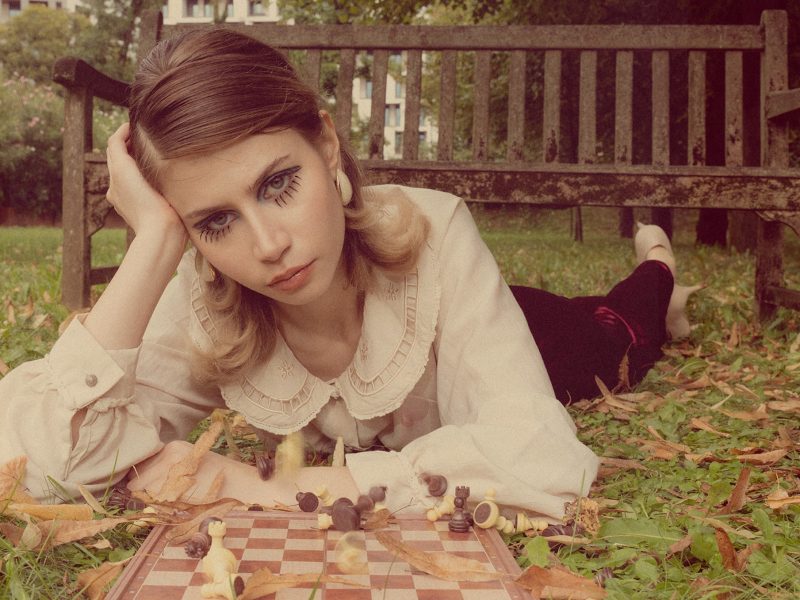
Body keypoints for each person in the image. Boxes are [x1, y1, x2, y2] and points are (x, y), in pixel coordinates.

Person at [0, 29, 695, 519]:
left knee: (616, 331)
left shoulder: (439, 229)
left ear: (327, 146)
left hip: (523, 329)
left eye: (278, 184)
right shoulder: (207, 297)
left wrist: (270, 489)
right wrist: (153, 244)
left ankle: (658, 266)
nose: (268, 245)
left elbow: (543, 459)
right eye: (214, 221)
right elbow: (39, 465)